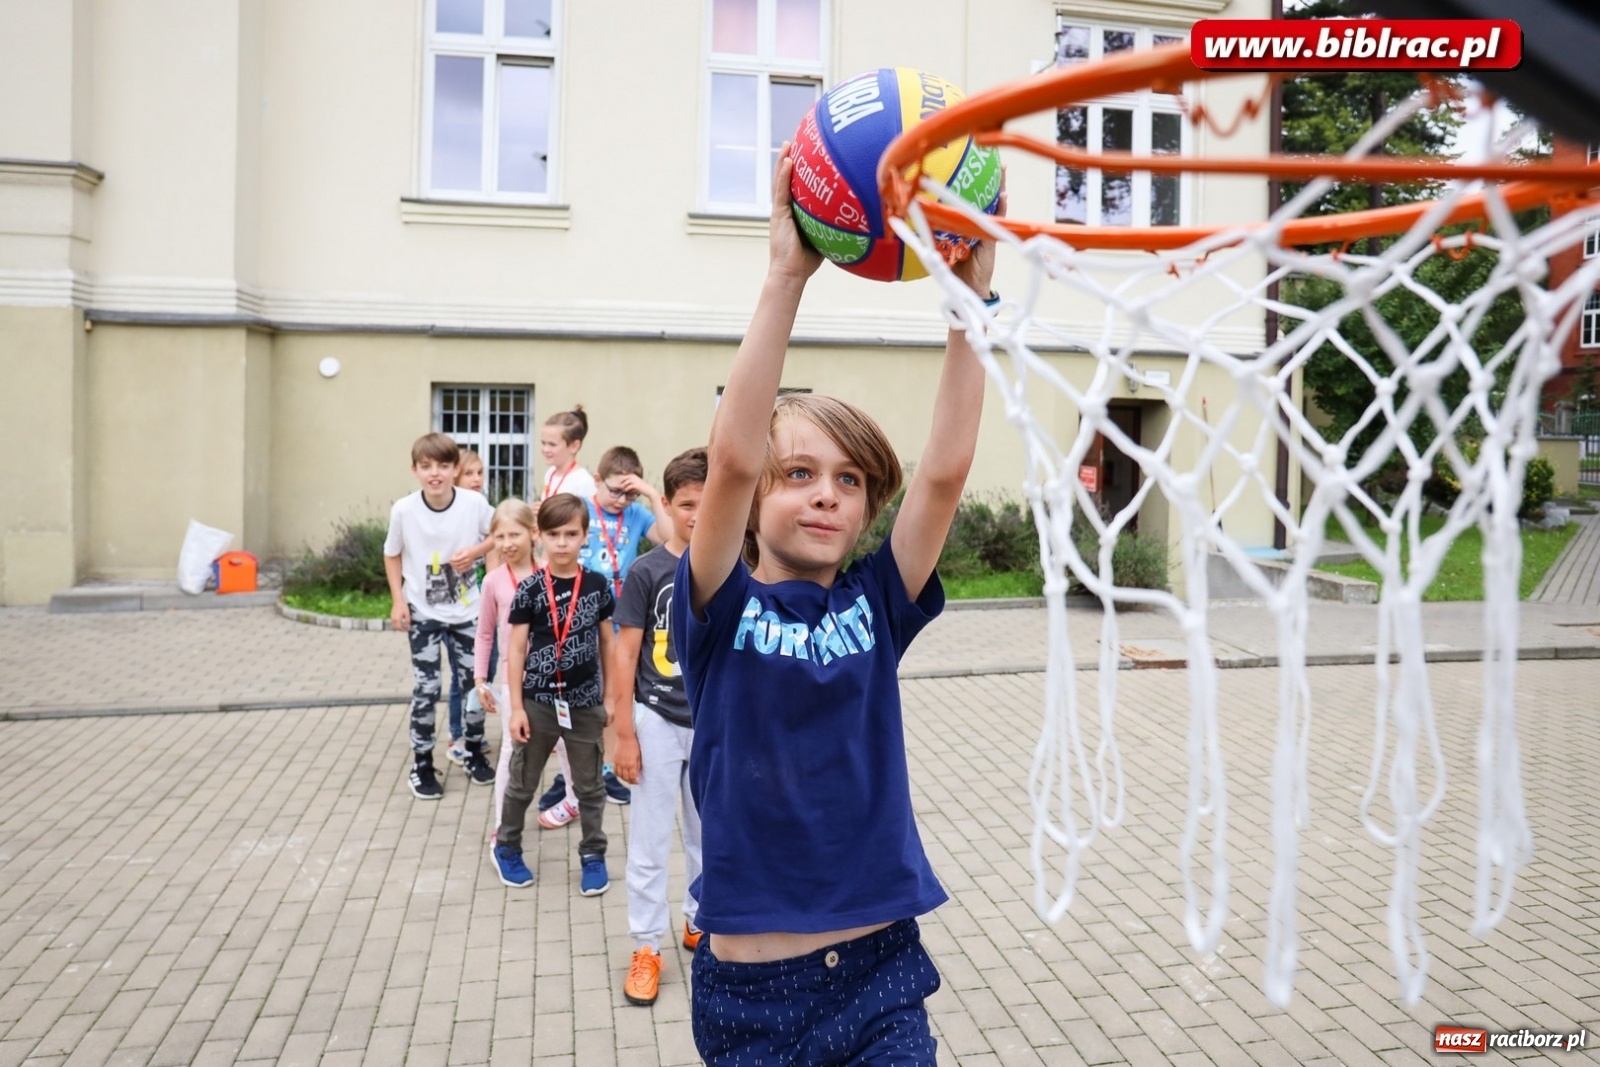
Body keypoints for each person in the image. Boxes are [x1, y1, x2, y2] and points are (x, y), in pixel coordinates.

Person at [671, 148, 999, 1064]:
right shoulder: (718, 606)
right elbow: (731, 459)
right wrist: (787, 275)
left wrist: (968, 309)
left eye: (849, 480)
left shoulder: (877, 601)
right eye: (799, 474)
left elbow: (945, 471)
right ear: (755, 501)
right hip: (753, 1000)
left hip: (878, 974)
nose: (826, 493)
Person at [611, 447, 707, 1007]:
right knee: (649, 842)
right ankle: (647, 946)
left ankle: (700, 919)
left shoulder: (733, 566)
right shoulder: (647, 571)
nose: (699, 514)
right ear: (666, 505)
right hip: (657, 720)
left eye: (710, 502)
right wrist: (624, 733)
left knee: (708, 836)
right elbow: (624, 655)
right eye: (688, 503)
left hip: (713, 724)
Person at [492, 492, 622, 896]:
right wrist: (516, 708)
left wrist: (611, 698)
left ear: (585, 536)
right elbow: (516, 649)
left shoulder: (597, 585)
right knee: (522, 783)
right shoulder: (530, 588)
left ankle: (593, 854)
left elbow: (608, 643)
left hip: (584, 704)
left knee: (590, 787)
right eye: (554, 534)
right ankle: (506, 847)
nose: (562, 543)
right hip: (538, 703)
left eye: (571, 534)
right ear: (540, 536)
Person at [540, 445, 673, 819]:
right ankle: (570, 777)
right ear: (597, 480)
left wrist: (649, 494)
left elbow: (669, 538)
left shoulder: (636, 513)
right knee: (574, 699)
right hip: (576, 620)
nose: (621, 499)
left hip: (619, 620)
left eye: (630, 493)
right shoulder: (580, 508)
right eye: (615, 490)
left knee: (613, 698)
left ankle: (607, 769)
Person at [383, 432, 499, 799]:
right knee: (427, 688)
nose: (435, 473)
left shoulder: (473, 503)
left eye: (443, 466)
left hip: (467, 612)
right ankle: (421, 763)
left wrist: (476, 552)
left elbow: (499, 534)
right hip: (423, 612)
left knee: (475, 685)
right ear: (414, 470)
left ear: (455, 469)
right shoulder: (404, 510)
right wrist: (398, 600)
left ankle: (473, 750)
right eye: (426, 466)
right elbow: (391, 554)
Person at [473, 498, 539, 840]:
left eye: (514, 534)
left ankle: (574, 801)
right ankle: (503, 822)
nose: (507, 543)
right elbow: (485, 633)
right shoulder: (493, 582)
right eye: (499, 537)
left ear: (533, 533)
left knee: (565, 747)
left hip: (552, 679)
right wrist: (480, 680)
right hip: (512, 681)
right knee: (511, 750)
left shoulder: (550, 575)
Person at [446, 449, 490, 765]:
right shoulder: (450, 511)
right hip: (451, 606)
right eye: (469, 474)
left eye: (480, 473)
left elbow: (498, 534)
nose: (476, 479)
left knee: (477, 671)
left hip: (475, 603)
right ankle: (457, 735)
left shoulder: (479, 507)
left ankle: (471, 732)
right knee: (460, 675)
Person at [539, 406, 598, 503]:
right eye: (543, 443)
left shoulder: (584, 482)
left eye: (552, 444)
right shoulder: (550, 473)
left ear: (574, 446)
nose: (545, 449)